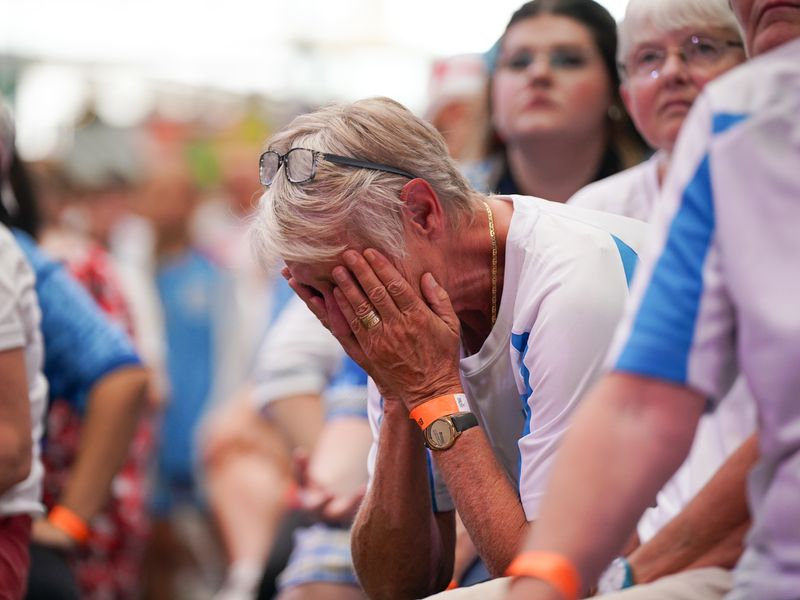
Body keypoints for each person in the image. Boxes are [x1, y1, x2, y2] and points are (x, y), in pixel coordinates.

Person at [249, 96, 648, 599]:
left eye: (348, 282)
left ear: (421, 211)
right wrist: (397, 395)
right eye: (316, 295)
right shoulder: (410, 315)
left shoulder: (573, 282)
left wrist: (432, 391)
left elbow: (544, 574)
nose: (344, 316)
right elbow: (396, 583)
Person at [503, 1, 800, 599]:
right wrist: (549, 579)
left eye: (703, 47)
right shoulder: (740, 124)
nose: (674, 74)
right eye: (647, 59)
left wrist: (633, 574)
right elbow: (643, 401)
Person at [472, 0, 648, 201]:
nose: (538, 73)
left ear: (615, 88)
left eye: (568, 60)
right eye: (518, 62)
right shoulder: (442, 205)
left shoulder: (670, 195)